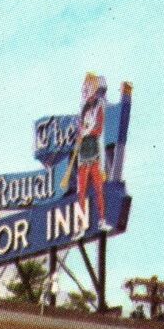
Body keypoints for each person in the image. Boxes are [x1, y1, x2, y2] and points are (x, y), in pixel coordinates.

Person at [71, 72, 109, 228]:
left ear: (93, 88)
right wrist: (81, 132)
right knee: (81, 190)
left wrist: (86, 132)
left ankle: (101, 220)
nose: (84, 90)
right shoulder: (83, 108)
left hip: (93, 150)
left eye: (87, 87)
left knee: (98, 187)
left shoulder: (98, 106)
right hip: (83, 152)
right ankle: (81, 225)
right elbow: (80, 129)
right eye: (83, 88)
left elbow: (98, 129)